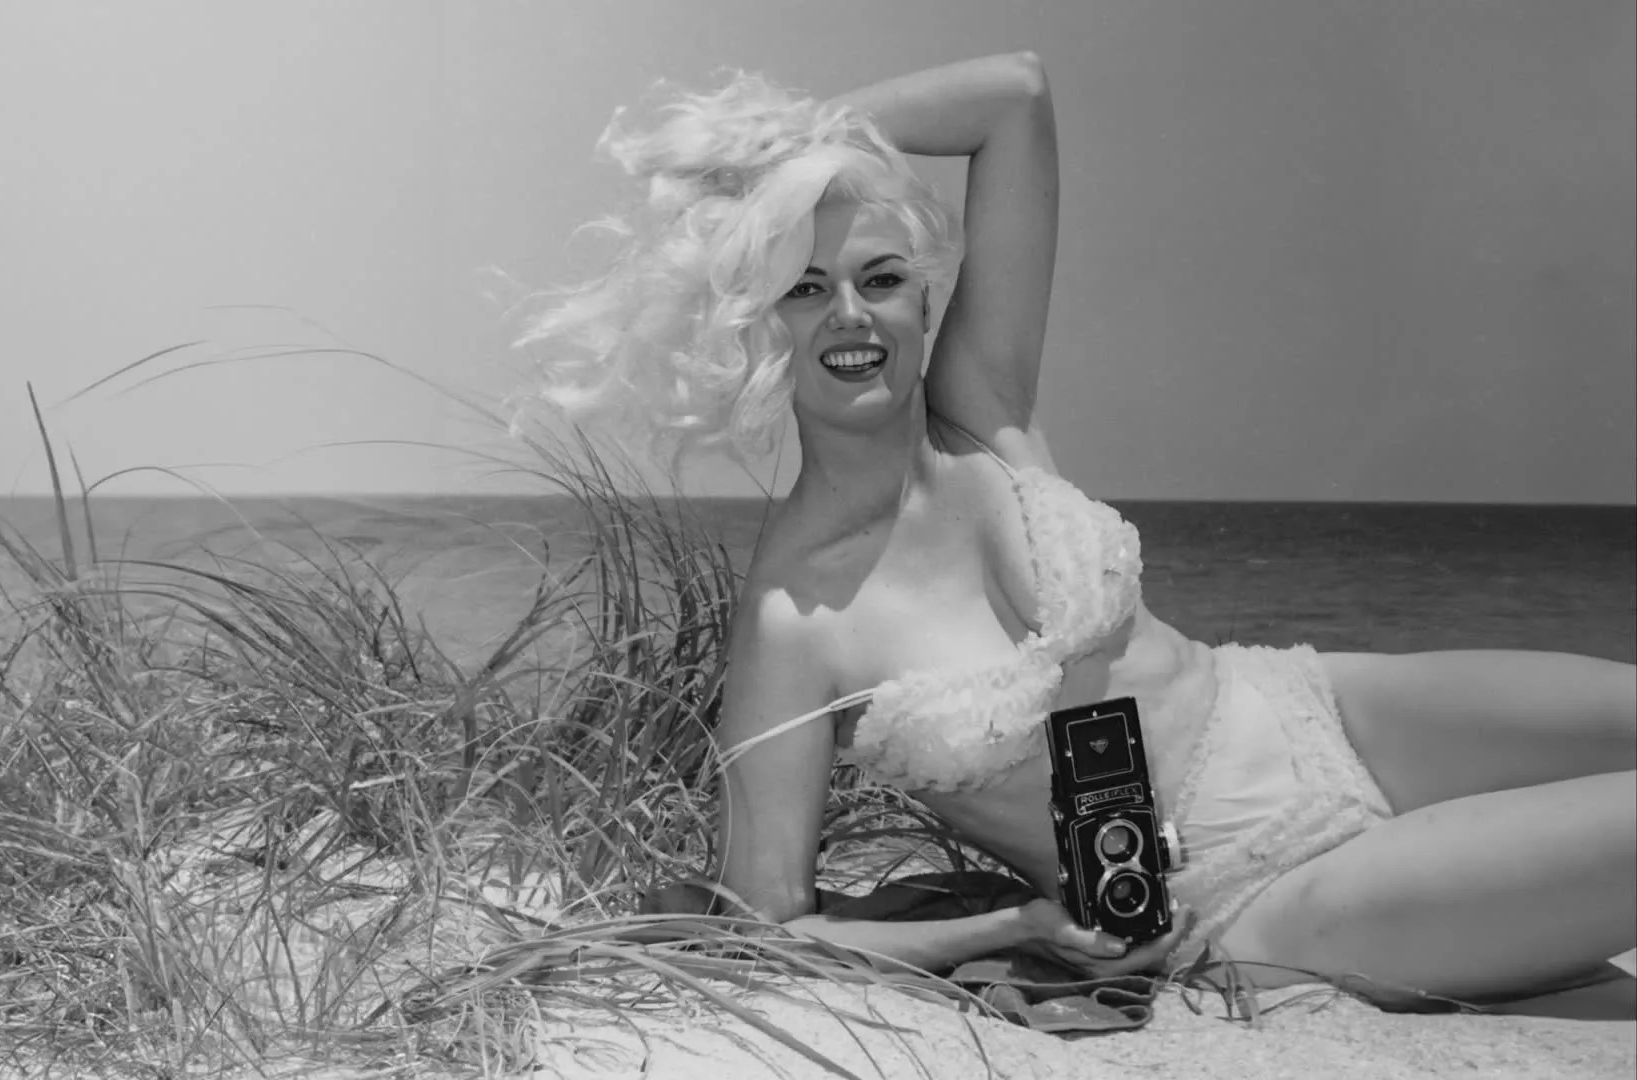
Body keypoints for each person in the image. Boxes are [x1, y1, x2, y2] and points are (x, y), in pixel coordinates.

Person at [520, 53, 1636, 1013]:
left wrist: (776, 161)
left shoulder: (981, 408)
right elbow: (770, 927)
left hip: (1317, 704)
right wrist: (1014, 927)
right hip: (1252, 896)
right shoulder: (794, 615)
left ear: (924, 298)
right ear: (757, 327)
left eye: (881, 278)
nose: (851, 315)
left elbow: (1013, 95)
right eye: (804, 289)